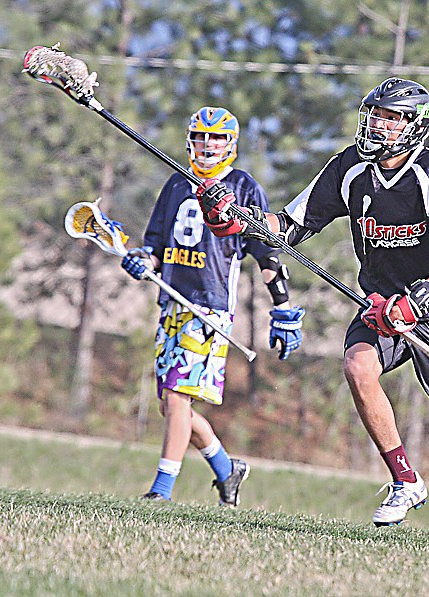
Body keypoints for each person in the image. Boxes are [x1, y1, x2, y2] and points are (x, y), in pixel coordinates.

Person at [196, 78, 429, 555]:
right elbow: (287, 228)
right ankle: (405, 479)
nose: (378, 124)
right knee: (357, 365)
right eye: (374, 114)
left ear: (415, 126)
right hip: (381, 307)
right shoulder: (349, 169)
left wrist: (412, 304)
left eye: (391, 118)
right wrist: (235, 216)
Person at [121, 106, 305, 505]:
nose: (208, 144)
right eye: (201, 136)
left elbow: (266, 253)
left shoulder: (243, 187)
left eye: (217, 137)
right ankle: (227, 470)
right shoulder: (175, 183)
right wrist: (142, 260)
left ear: (231, 144)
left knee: (176, 398)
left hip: (208, 309)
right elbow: (156, 245)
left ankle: (161, 491)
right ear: (189, 140)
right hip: (172, 300)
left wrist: (283, 307)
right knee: (171, 406)